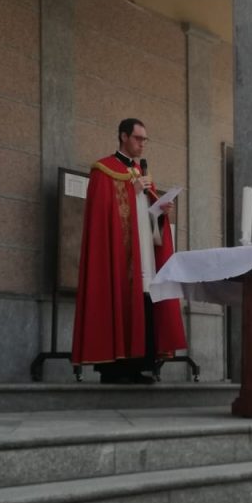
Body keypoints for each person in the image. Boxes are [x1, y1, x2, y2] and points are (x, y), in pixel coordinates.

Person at [72, 118, 187, 383]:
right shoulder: (104, 170)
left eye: (145, 139)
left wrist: (160, 212)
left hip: (143, 253)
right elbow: (105, 214)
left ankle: (137, 367)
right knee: (120, 302)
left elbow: (145, 216)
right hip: (119, 257)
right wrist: (131, 190)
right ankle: (114, 370)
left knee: (143, 303)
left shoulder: (141, 172)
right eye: (138, 138)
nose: (142, 144)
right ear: (123, 137)